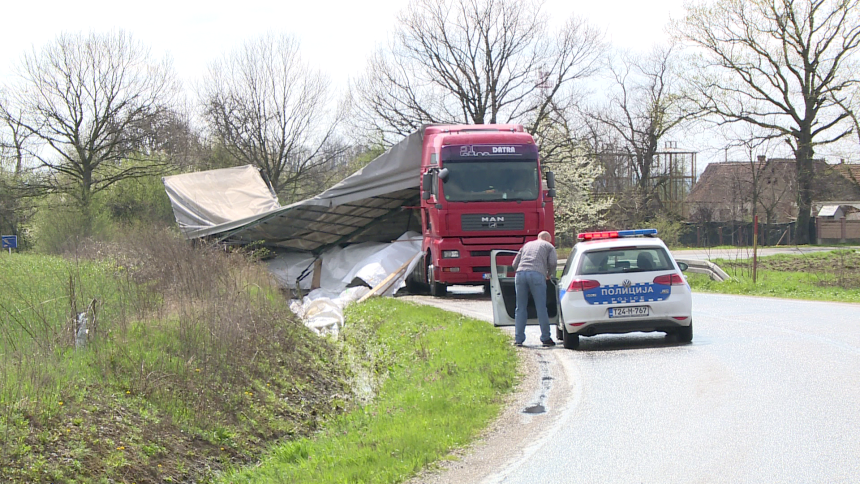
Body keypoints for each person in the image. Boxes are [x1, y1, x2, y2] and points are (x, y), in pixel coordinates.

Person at [512, 231, 558, 347]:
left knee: (520, 307)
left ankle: (519, 339)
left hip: (520, 274)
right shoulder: (549, 246)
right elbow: (553, 263)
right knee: (541, 307)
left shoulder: (527, 245)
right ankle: (545, 338)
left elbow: (514, 264)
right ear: (548, 239)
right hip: (537, 275)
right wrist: (549, 274)